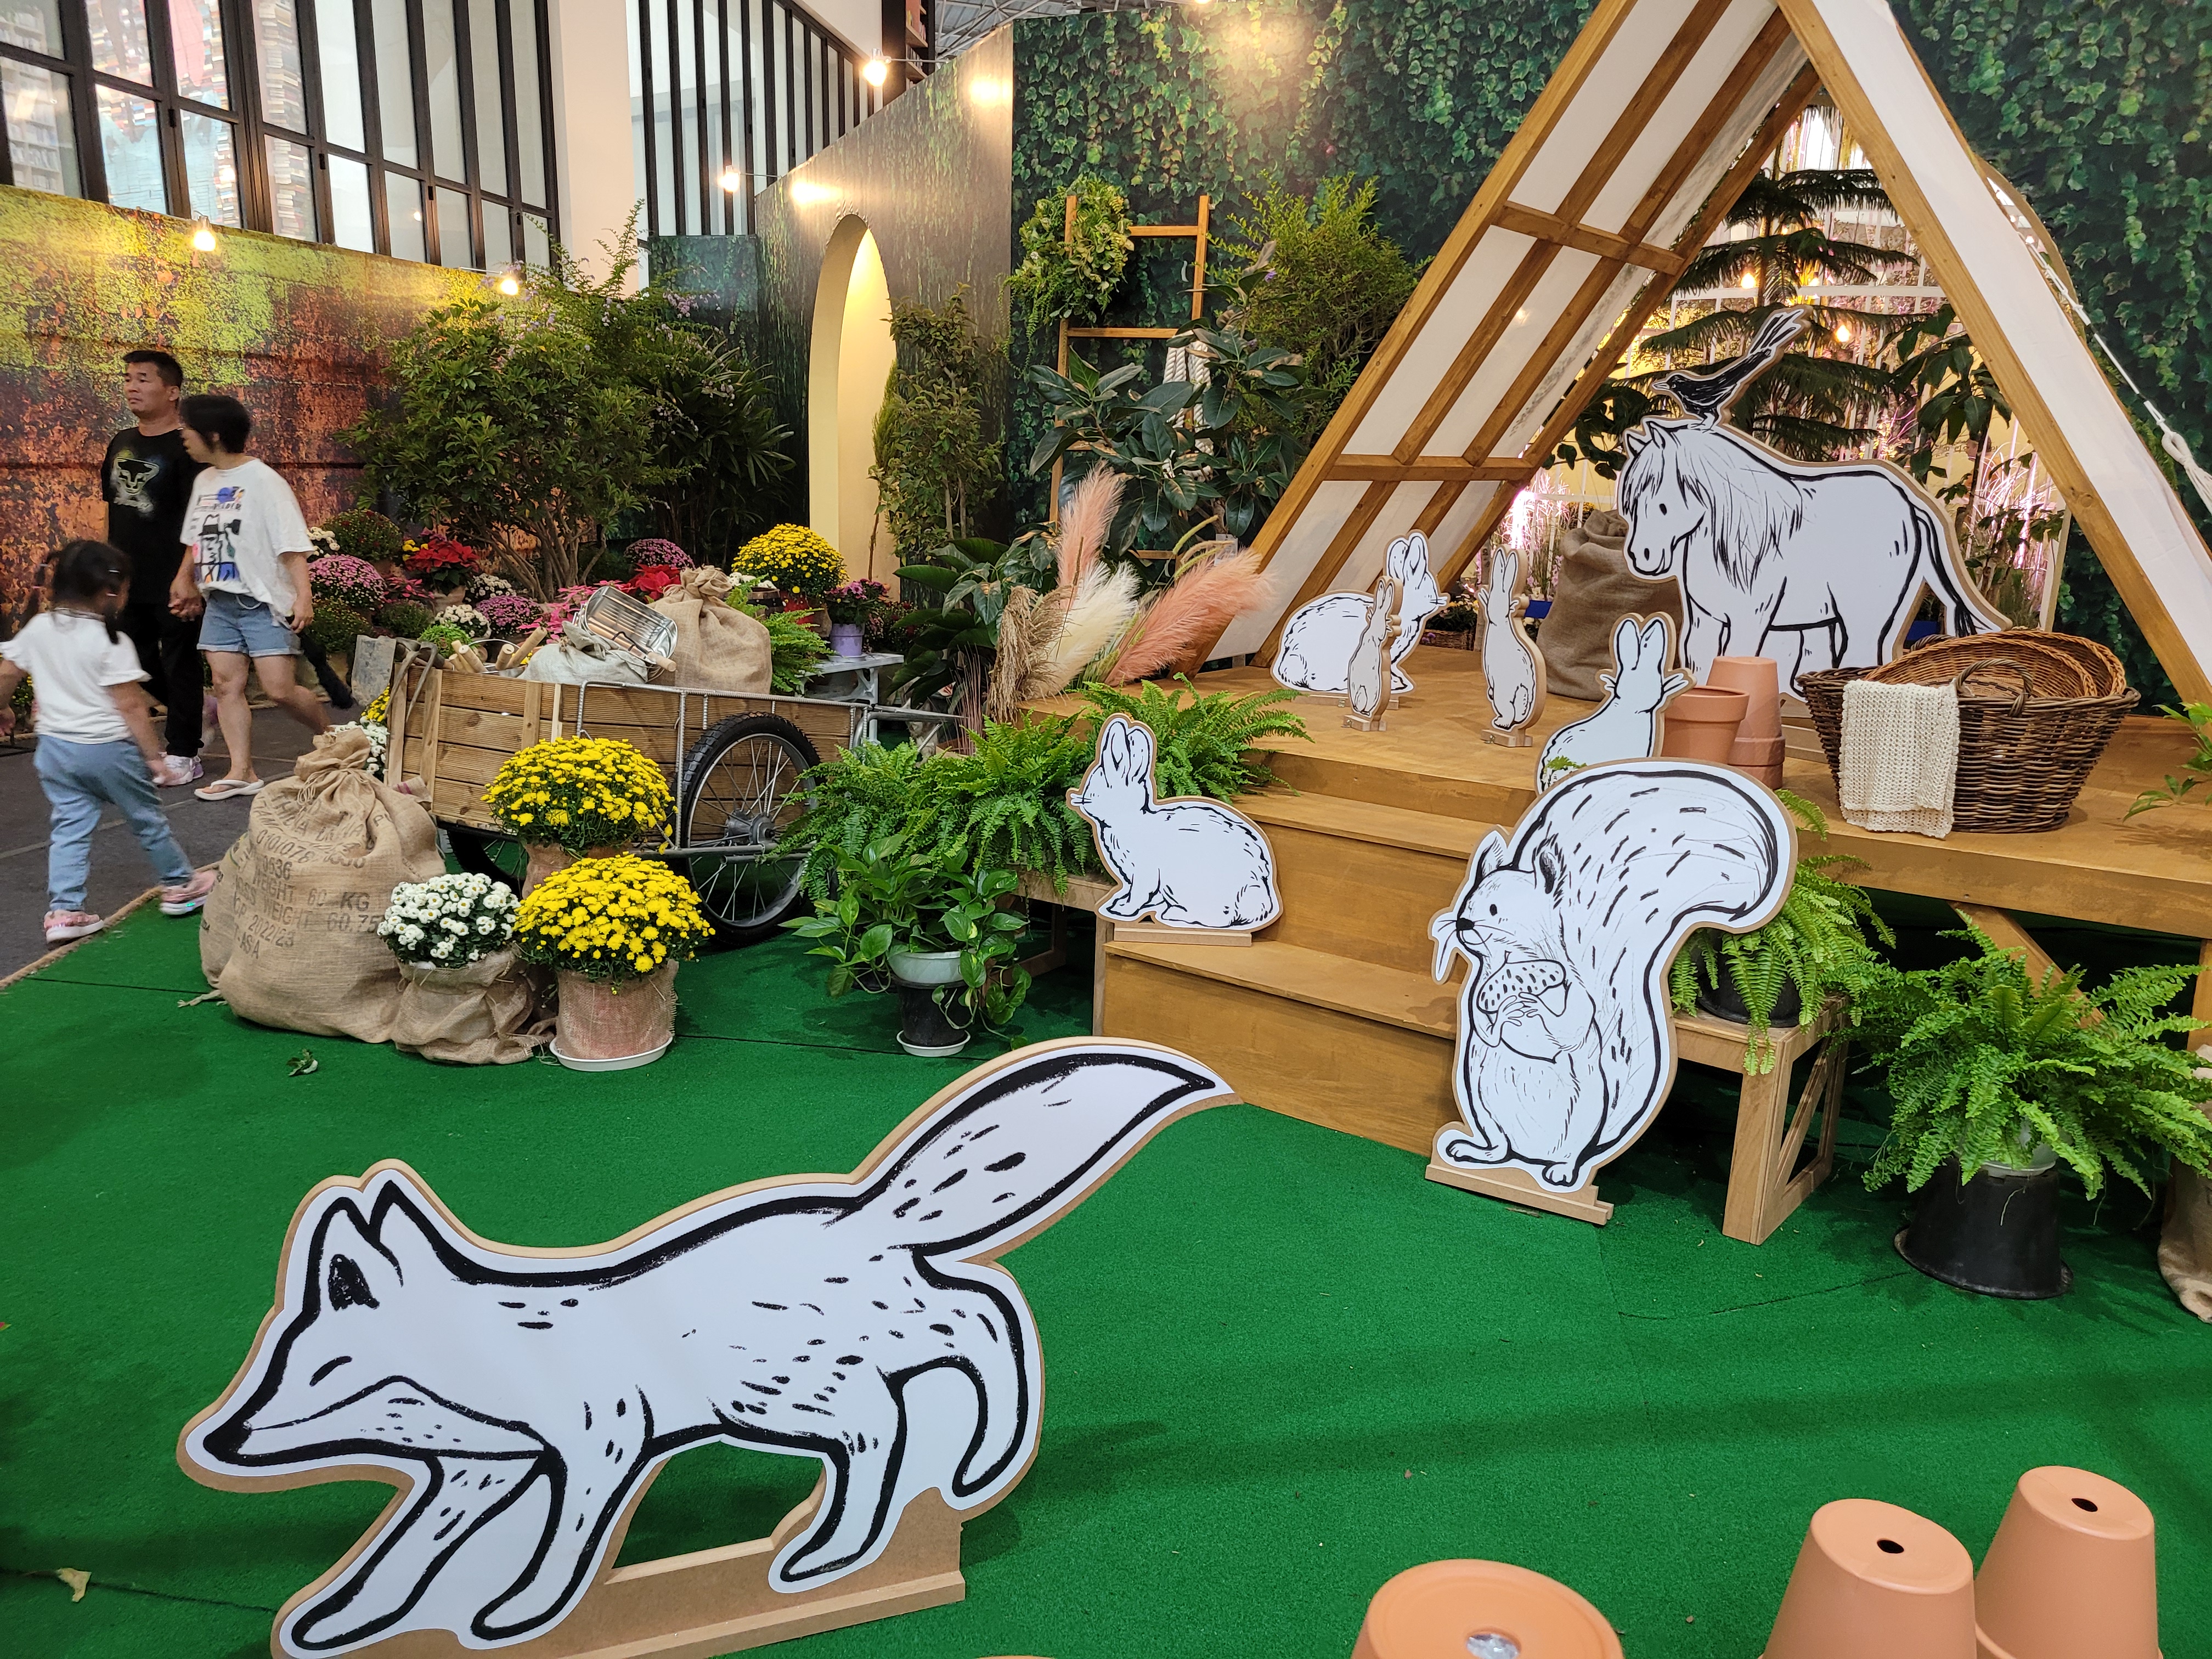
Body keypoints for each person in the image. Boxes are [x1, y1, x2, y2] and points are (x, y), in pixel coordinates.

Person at [0, 540, 217, 944]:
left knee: (69, 827)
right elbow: (131, 706)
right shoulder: (110, 639)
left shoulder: (39, 628)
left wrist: (2, 708)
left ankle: (65, 911)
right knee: (146, 819)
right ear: (110, 592)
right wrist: (154, 758)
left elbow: (7, 674)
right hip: (107, 751)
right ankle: (180, 885)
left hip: (55, 750)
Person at [169, 393, 329, 800]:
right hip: (220, 602)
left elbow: (292, 546)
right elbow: (196, 539)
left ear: (213, 434)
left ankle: (333, 738)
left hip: (263, 603)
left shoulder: (265, 482)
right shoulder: (204, 481)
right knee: (226, 686)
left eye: (188, 428)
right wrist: (184, 579)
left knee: (280, 690)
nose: (183, 435)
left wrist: (304, 596)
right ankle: (243, 771)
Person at [101, 348, 206, 786]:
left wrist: (188, 576)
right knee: (134, 658)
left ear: (172, 391)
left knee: (180, 663)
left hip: (174, 576)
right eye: (128, 378)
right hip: (126, 578)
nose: (132, 387)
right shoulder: (121, 441)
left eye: (143, 379)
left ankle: (184, 751)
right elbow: (112, 509)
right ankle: (197, 711)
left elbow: (201, 519)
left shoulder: (188, 449)